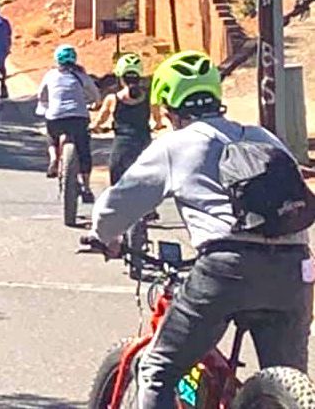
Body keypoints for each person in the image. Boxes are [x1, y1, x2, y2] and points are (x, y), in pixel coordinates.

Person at [87, 50, 313, 408]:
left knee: (158, 369)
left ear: (169, 106)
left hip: (227, 268)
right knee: (286, 380)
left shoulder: (176, 144)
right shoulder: (266, 138)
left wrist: (107, 237)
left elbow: (115, 208)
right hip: (295, 267)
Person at [38, 45, 100, 203]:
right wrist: (93, 103)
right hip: (79, 117)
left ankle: (54, 158)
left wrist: (47, 104)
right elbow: (95, 95)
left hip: (56, 117)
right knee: (84, 148)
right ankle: (86, 187)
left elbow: (41, 95)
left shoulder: (50, 75)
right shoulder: (81, 75)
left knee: (51, 134)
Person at [90, 53, 151, 185]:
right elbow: (158, 119)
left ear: (120, 76)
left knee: (115, 177)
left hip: (122, 144)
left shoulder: (113, 99)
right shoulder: (148, 97)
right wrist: (158, 125)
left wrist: (95, 126)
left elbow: (101, 119)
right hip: (144, 141)